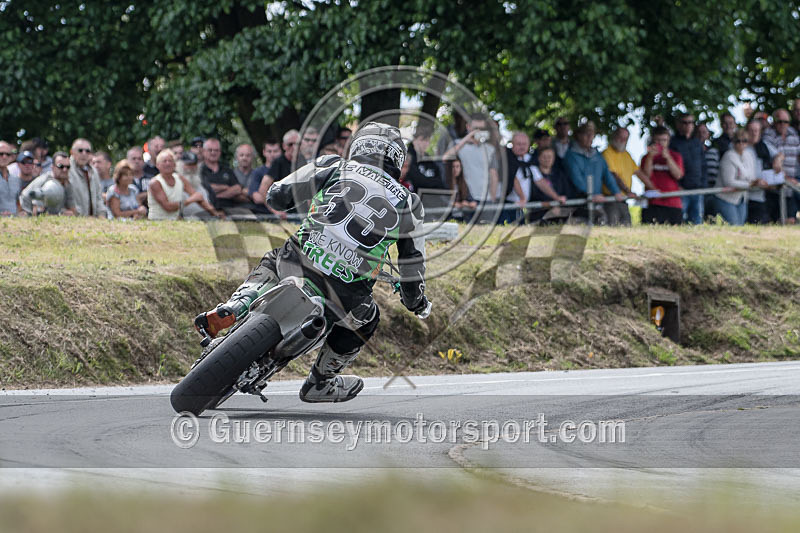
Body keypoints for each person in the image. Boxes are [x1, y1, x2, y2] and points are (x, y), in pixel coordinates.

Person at [194, 122, 430, 403]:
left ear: (358, 145)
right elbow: (412, 267)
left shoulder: (332, 165)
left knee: (272, 261)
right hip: (346, 294)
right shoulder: (409, 203)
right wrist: (415, 302)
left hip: (297, 261)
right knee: (367, 319)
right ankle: (321, 381)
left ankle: (236, 304)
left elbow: (276, 196)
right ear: (396, 158)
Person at [563, 121, 625, 220]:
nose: (589, 137)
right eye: (586, 134)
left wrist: (616, 192)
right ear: (578, 135)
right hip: (578, 202)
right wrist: (591, 194)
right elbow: (576, 179)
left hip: (597, 201)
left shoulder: (597, 156)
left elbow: (607, 175)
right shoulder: (571, 156)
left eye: (592, 134)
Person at [148, 149, 223, 220]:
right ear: (158, 165)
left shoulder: (179, 178)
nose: (168, 163)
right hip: (158, 220)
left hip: (175, 221)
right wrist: (189, 201)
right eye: (164, 161)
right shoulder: (155, 182)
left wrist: (215, 214)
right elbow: (168, 207)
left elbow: (198, 197)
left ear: (174, 164)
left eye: (170, 161)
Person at [443, 114, 500, 204]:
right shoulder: (457, 144)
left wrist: (492, 198)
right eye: (476, 128)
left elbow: (494, 174)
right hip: (465, 199)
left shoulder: (489, 149)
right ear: (468, 127)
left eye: (481, 128)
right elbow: (445, 158)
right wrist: (466, 139)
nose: (478, 131)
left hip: (485, 199)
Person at [715, 129, 763, 226]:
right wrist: (750, 184)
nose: (741, 143)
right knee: (734, 225)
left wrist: (757, 182)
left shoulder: (748, 155)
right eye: (738, 141)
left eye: (744, 141)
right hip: (726, 198)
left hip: (741, 198)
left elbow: (751, 176)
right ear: (733, 142)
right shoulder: (728, 156)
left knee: (741, 226)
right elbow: (728, 182)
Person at [602, 127, 646, 226]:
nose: (622, 141)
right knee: (612, 227)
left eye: (625, 138)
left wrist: (654, 188)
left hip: (624, 199)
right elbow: (613, 175)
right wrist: (628, 191)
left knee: (626, 227)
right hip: (611, 199)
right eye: (620, 137)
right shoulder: (607, 153)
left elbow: (639, 173)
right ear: (614, 137)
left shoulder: (627, 155)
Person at [640, 126, 684, 225]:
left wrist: (668, 158)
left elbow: (678, 175)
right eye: (658, 140)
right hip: (653, 203)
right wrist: (650, 157)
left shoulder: (675, 156)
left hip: (673, 203)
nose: (661, 143)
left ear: (668, 141)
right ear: (653, 140)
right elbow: (646, 176)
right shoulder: (646, 158)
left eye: (664, 140)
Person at [763, 109, 800, 223]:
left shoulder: (794, 134)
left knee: (790, 219)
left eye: (785, 122)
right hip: (774, 187)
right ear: (774, 122)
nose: (783, 124)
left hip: (791, 186)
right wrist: (778, 157)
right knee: (774, 220)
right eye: (780, 121)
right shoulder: (769, 135)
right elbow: (774, 158)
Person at [670, 113, 706, 224]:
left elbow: (703, 166)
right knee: (679, 222)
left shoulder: (697, 143)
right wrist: (678, 185)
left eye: (690, 122)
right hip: (681, 190)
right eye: (685, 122)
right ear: (678, 124)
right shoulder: (672, 143)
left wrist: (703, 185)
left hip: (697, 189)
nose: (688, 125)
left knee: (697, 222)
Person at [200, 138, 250, 212]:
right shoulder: (200, 170)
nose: (213, 152)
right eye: (210, 150)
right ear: (203, 152)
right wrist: (226, 187)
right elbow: (205, 188)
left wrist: (215, 196)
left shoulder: (227, 169)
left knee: (250, 217)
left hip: (231, 208)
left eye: (216, 150)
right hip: (208, 209)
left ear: (220, 152)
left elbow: (237, 189)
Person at [19, 151, 76, 216]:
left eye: (68, 167)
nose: (65, 170)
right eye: (61, 166)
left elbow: (72, 209)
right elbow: (36, 210)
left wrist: (69, 213)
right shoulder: (44, 181)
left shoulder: (68, 184)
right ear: (52, 167)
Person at [745, 119, 777, 224]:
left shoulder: (764, 146)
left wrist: (778, 162)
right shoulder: (740, 147)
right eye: (751, 130)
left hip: (761, 196)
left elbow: (779, 154)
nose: (754, 133)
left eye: (756, 130)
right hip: (743, 195)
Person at [68, 138, 105, 217]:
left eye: (87, 151)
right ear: (72, 152)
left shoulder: (93, 171)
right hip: (73, 220)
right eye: (80, 150)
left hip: (94, 222)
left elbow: (99, 198)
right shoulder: (66, 169)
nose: (84, 153)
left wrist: (102, 215)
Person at [406, 125, 446, 191]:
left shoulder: (428, 159)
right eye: (422, 140)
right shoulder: (408, 157)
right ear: (414, 140)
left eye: (427, 140)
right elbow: (418, 180)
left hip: (431, 197)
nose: (425, 143)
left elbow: (440, 181)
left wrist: (428, 181)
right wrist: (432, 182)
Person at [0, 140, 21, 215]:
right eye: (1, 154)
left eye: (7, 154)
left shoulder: (16, 179)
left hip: (15, 222)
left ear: (11, 157)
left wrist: (21, 213)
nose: (4, 157)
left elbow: (18, 204)